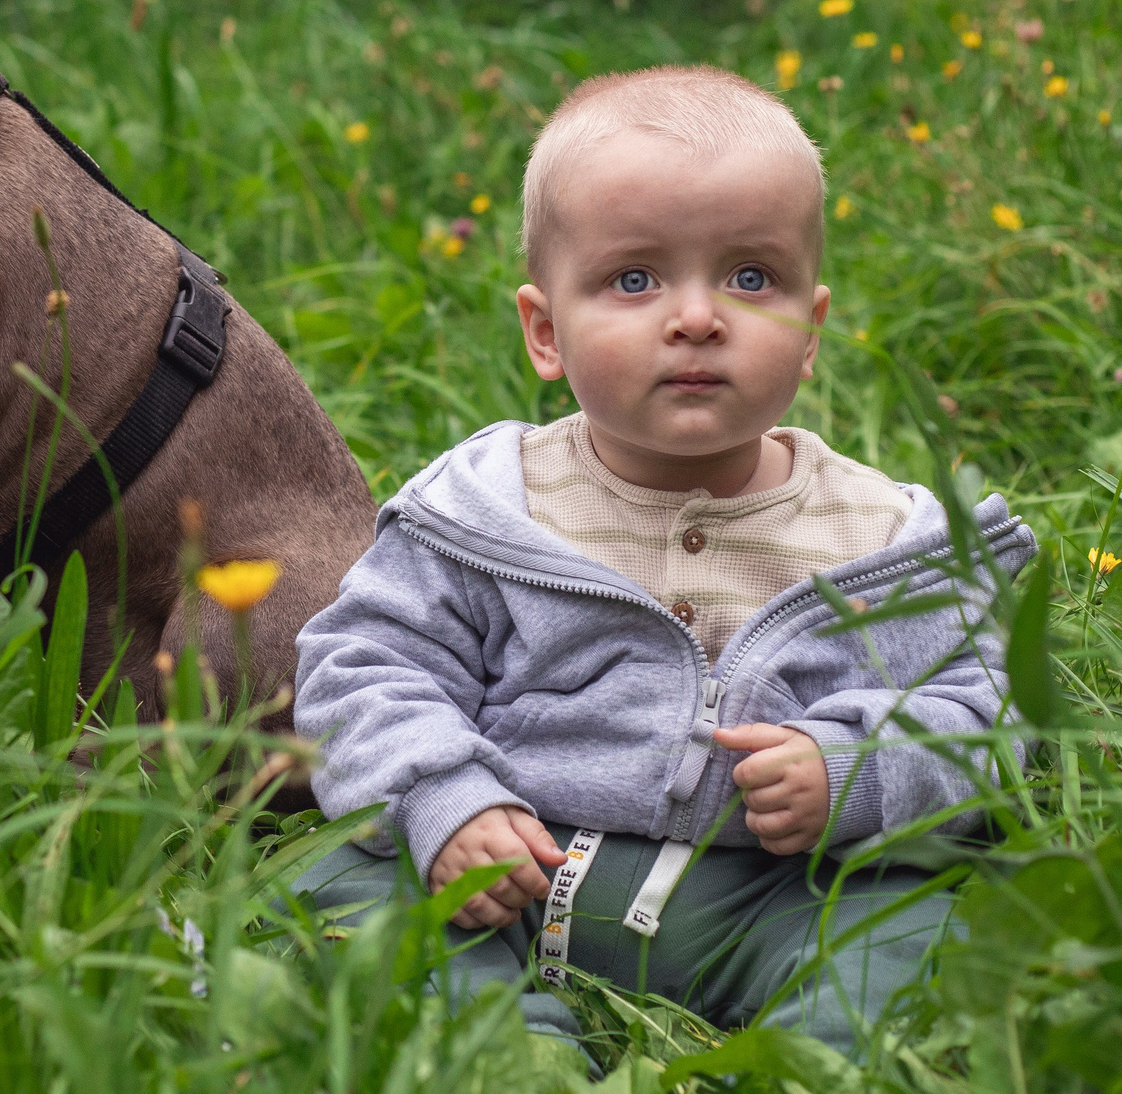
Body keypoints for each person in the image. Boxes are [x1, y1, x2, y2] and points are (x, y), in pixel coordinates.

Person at [292, 64, 1032, 1068]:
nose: (696, 317)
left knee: (934, 917)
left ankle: (805, 1064)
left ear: (810, 332)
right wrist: (444, 797)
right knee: (339, 887)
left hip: (770, 894)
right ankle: (512, 1057)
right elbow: (361, 667)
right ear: (546, 332)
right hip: (509, 872)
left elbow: (990, 713)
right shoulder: (485, 513)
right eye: (634, 280)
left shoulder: (886, 539)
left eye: (750, 278)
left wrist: (852, 768)